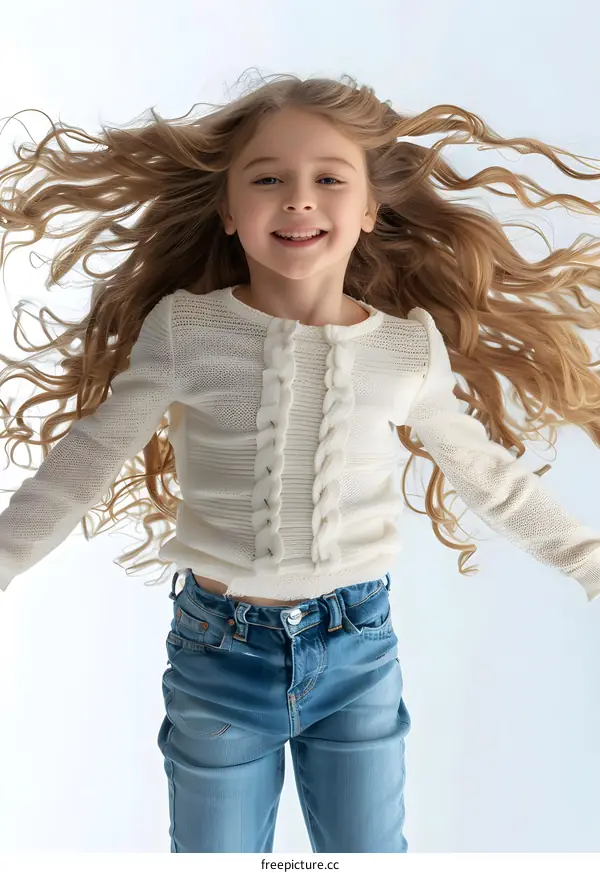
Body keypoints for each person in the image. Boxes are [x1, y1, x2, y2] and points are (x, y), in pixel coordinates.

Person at [1, 69, 600, 854]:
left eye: (328, 178)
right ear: (227, 208)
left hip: (358, 652)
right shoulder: (186, 329)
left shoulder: (405, 348)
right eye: (268, 178)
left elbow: (494, 480)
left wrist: (590, 563)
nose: (299, 198)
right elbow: (87, 458)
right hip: (218, 652)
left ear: (370, 208)